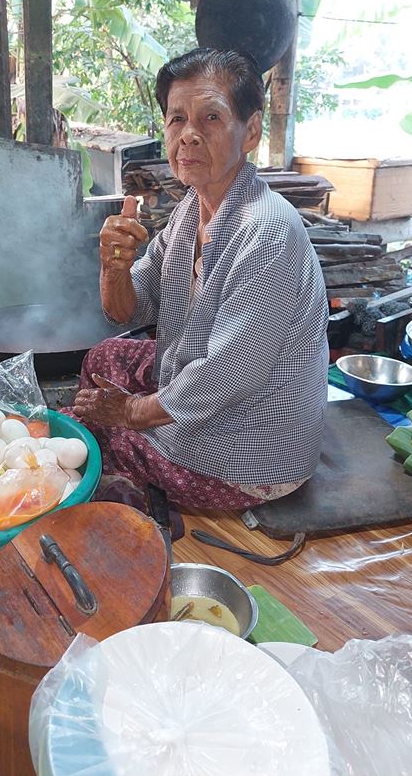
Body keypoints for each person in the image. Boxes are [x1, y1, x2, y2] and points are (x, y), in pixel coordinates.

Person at [70, 47, 328, 510]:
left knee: (88, 437)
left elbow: (230, 375)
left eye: (210, 118)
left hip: (253, 451)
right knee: (103, 359)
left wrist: (129, 413)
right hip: (210, 385)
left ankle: (134, 497)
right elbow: (130, 310)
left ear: (249, 131)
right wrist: (114, 268)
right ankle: (137, 450)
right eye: (176, 119)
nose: (188, 136)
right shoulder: (192, 208)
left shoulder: (266, 232)